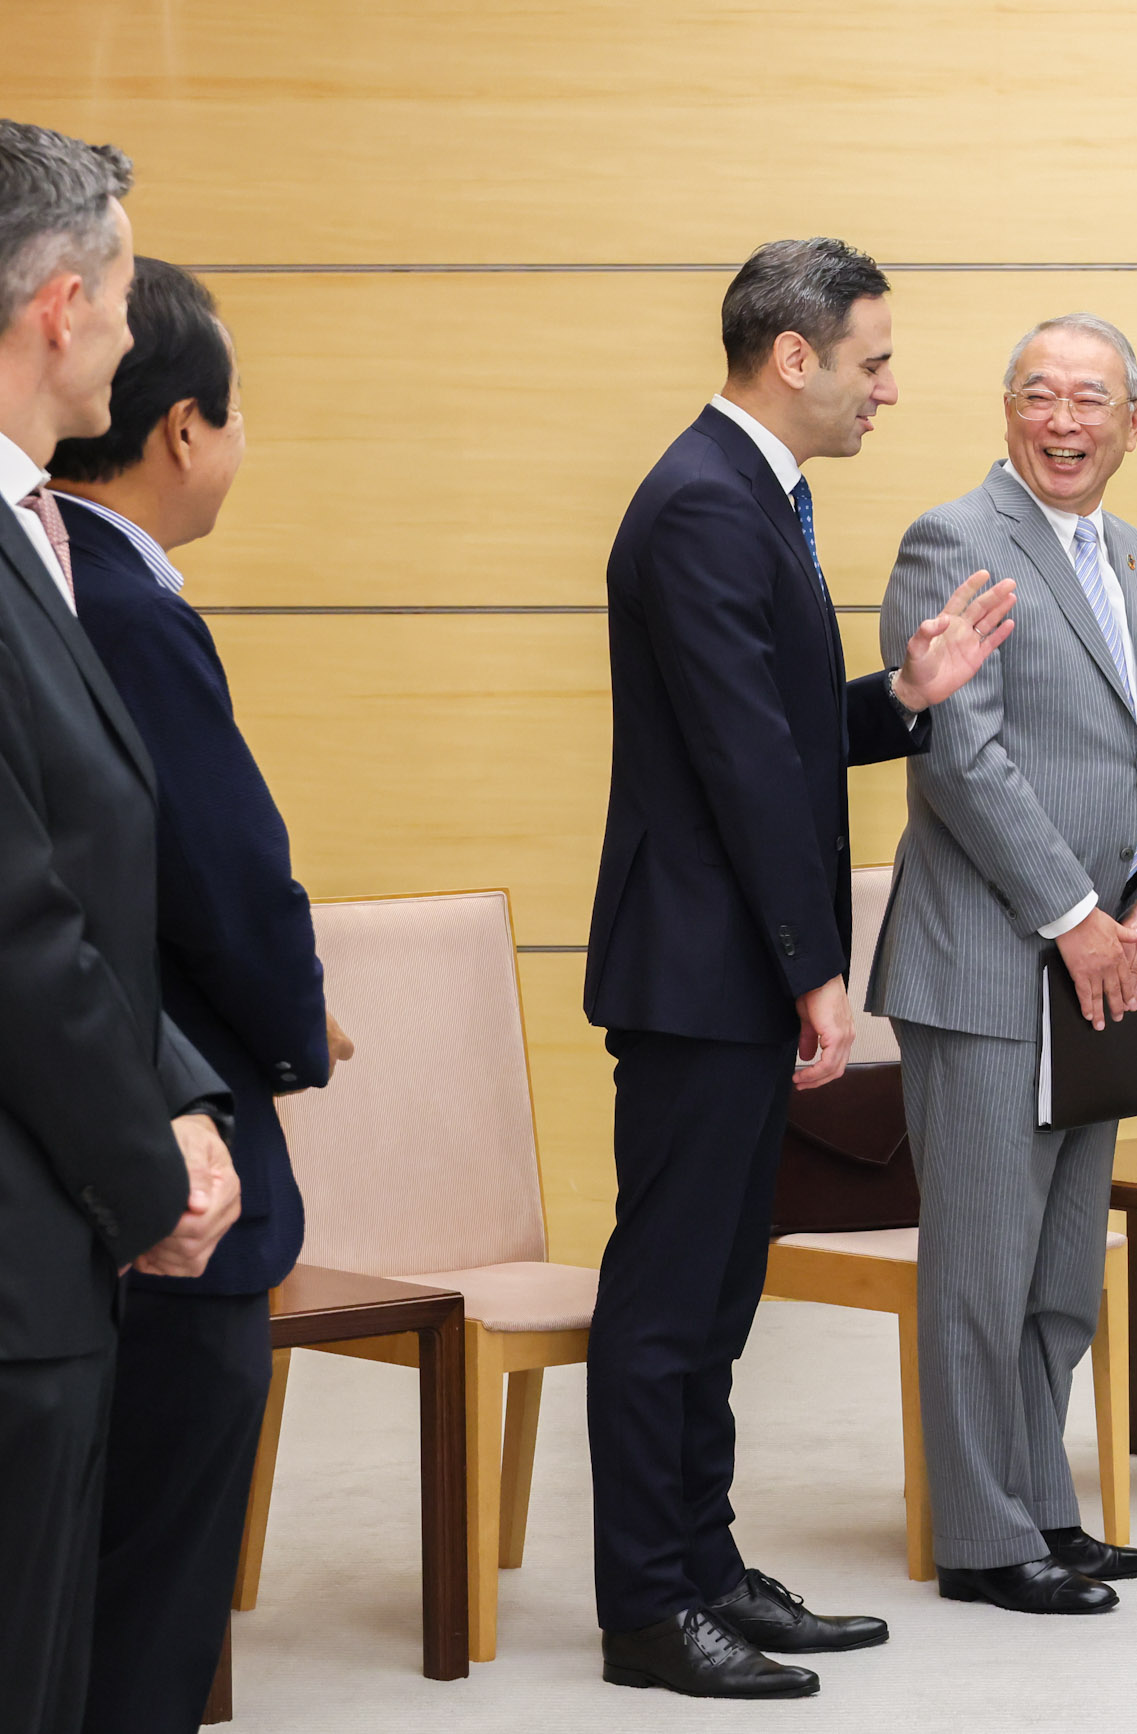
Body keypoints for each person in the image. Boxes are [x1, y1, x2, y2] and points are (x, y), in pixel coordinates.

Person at [582, 237, 1016, 1699]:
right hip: (699, 971)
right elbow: (743, 765)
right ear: (794, 356)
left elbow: (776, 725)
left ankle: (702, 1566)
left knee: (717, 1294)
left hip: (722, 968)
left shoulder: (749, 491)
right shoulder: (708, 500)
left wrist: (902, 696)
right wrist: (813, 967)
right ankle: (649, 1606)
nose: (886, 389)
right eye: (872, 362)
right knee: (670, 1295)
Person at [49, 256, 348, 1734]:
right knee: (152, 1583)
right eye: (238, 416)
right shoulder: (124, 606)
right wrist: (299, 1032)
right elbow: (227, 880)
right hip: (168, 1140)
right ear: (182, 428)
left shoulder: (62, 579)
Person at [867, 313, 1137, 1616]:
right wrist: (1076, 916)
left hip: (1112, 973)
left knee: (1061, 1273)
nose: (1065, 422)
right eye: (1040, 395)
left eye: (1091, 399)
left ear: (1134, 421)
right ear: (1007, 410)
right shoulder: (954, 541)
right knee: (980, 1270)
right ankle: (982, 1536)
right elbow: (960, 756)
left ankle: (1044, 1507)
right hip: (991, 967)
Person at [0, 121, 241, 1733]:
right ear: (60, 309)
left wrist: (176, 1090)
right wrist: (151, 1168)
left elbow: (70, 885)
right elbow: (17, 931)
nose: (135, 323)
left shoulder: (36, 531)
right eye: (127, 290)